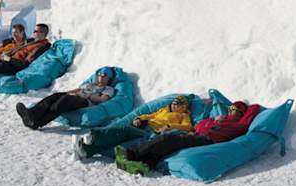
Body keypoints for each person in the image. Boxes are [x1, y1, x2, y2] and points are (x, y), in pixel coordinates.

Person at [111, 101, 262, 174]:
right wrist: (213, 121)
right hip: (197, 135)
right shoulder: (217, 119)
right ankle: (144, 165)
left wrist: (245, 108)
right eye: (230, 108)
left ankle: (131, 153)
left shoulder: (240, 123)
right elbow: (200, 125)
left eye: (235, 109)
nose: (230, 111)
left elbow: (254, 108)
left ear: (241, 113)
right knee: (166, 146)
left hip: (208, 140)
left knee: (167, 139)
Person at [68, 95, 193, 159]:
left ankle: (93, 136)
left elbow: (187, 127)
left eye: (178, 104)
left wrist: (169, 125)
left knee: (124, 131)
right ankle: (86, 150)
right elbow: (149, 115)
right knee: (117, 138)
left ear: (184, 106)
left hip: (150, 133)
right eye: (174, 103)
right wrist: (139, 119)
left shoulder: (183, 116)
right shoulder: (164, 110)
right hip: (144, 125)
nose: (174, 105)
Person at [16, 67, 117, 129]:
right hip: (76, 96)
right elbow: (78, 90)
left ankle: (37, 123)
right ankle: (31, 114)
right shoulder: (90, 84)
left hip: (86, 102)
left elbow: (103, 99)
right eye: (99, 74)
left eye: (104, 75)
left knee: (64, 101)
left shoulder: (108, 89)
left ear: (109, 78)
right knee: (55, 97)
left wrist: (86, 96)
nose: (101, 77)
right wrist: (65, 93)